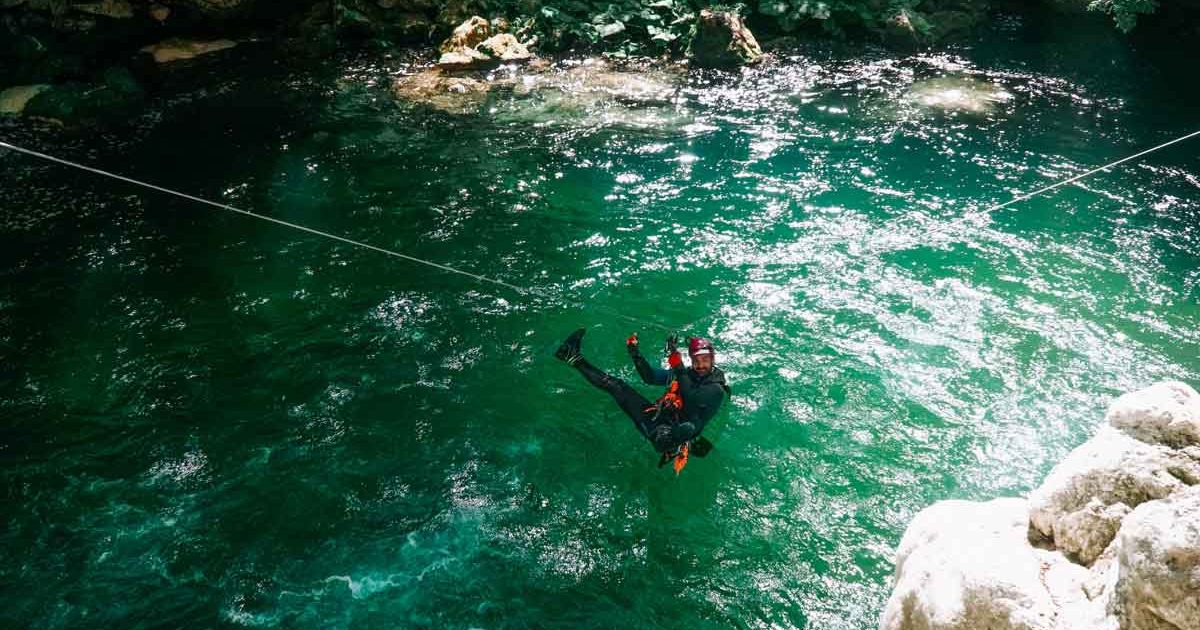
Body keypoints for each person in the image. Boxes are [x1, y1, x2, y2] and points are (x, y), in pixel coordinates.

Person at [554, 328, 730, 473]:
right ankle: (570, 355)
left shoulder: (716, 389)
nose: (701, 365)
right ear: (691, 360)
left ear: (713, 359)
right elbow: (650, 377)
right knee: (616, 386)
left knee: (686, 429)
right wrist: (635, 353)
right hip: (661, 415)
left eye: (705, 360)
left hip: (668, 434)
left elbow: (692, 398)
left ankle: (670, 446)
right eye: (696, 361)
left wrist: (678, 365)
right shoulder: (688, 374)